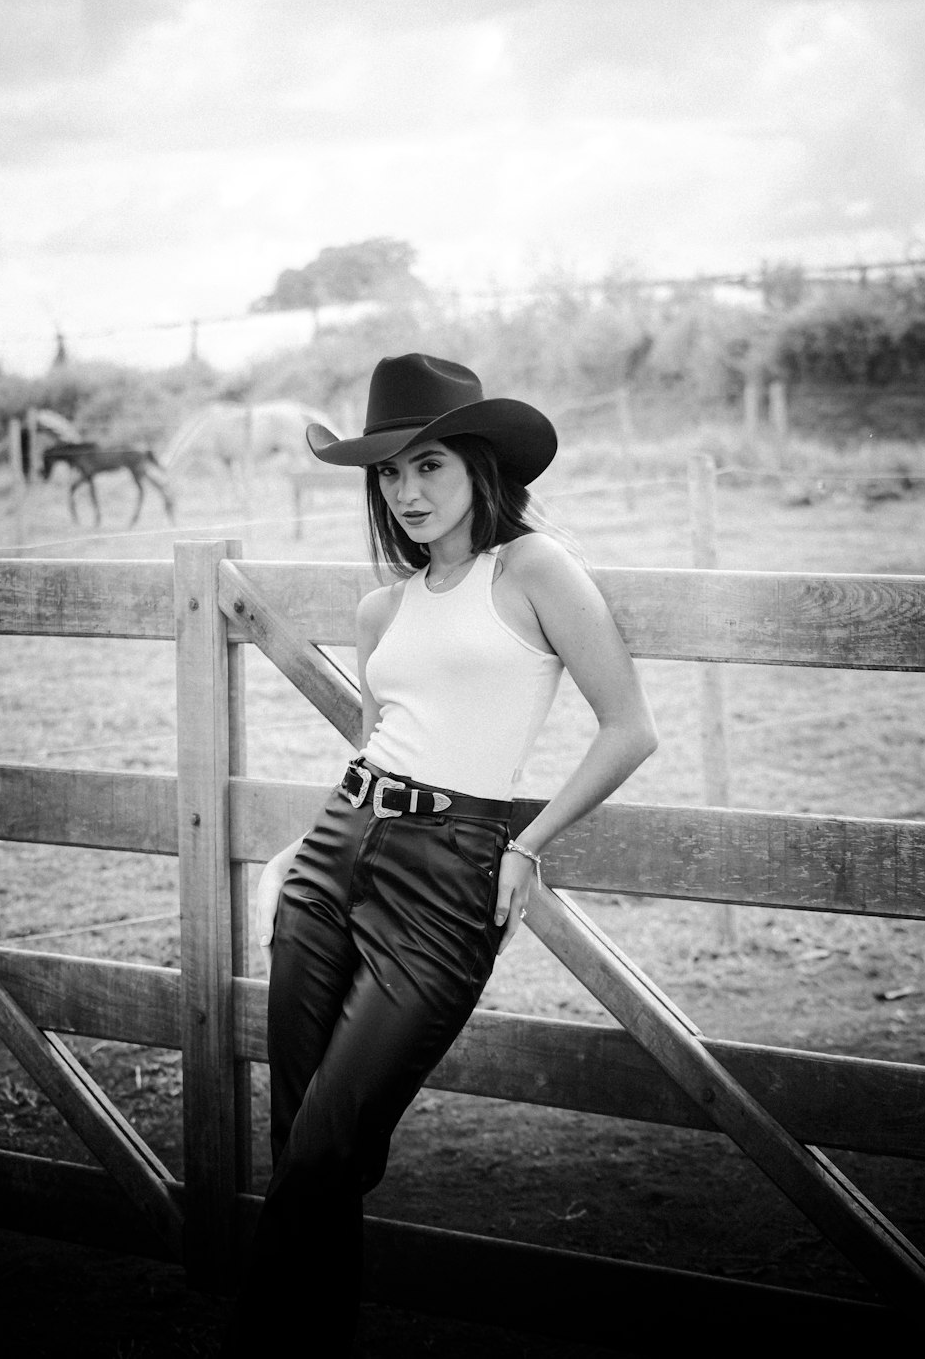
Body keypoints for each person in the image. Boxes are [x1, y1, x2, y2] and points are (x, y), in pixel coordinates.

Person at [222, 352, 658, 1354]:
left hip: (450, 867)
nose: (407, 492)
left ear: (479, 469)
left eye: (429, 467)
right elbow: (377, 745)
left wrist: (526, 845)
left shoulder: (535, 572)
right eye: (389, 474)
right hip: (339, 849)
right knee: (303, 1141)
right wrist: (307, 850)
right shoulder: (385, 606)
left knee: (331, 1137)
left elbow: (627, 728)